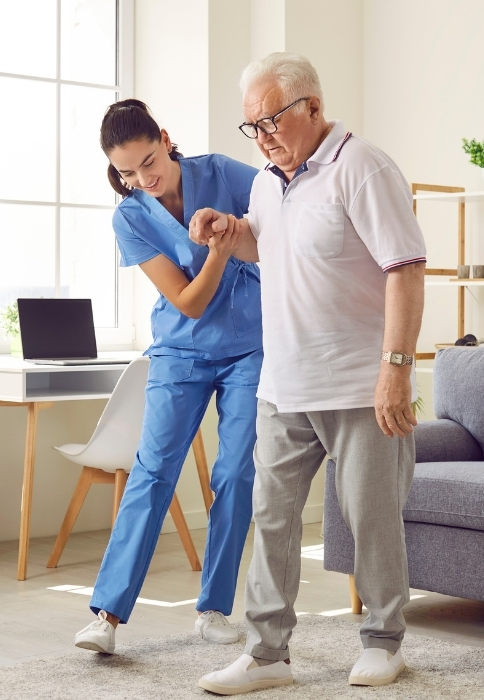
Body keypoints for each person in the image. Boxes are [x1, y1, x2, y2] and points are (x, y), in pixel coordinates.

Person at [190, 53, 426, 694]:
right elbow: (268, 245)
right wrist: (229, 230)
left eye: (271, 121)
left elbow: (405, 269)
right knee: (272, 518)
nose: (262, 137)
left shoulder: (363, 167)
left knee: (371, 518)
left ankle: (383, 641)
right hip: (284, 385)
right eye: (252, 126)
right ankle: (267, 654)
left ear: (313, 107)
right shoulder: (267, 183)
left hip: (359, 385)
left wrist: (396, 371)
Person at [73, 99, 263, 655]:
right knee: (153, 472)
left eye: (149, 162)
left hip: (250, 348)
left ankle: (214, 608)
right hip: (181, 351)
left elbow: (283, 213)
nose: (144, 179)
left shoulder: (223, 173)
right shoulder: (130, 217)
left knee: (235, 474)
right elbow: (188, 301)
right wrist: (221, 252)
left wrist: (235, 231)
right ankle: (106, 616)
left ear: (165, 137)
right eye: (128, 172)